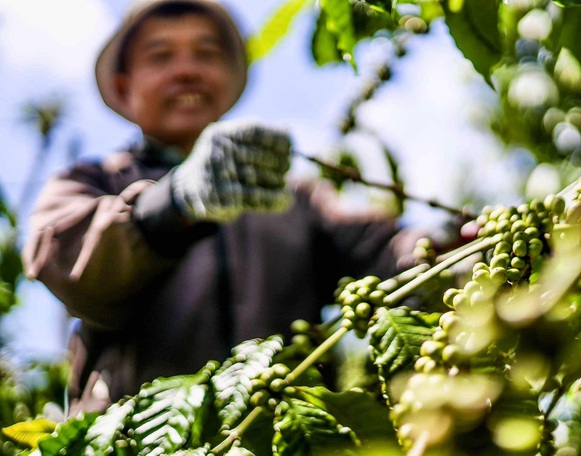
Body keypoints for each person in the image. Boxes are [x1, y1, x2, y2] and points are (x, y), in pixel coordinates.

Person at [22, 0, 413, 413]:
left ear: (228, 81)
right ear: (124, 87)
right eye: (161, 56)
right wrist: (171, 205)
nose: (187, 70)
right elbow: (66, 259)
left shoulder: (293, 200)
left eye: (207, 54)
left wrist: (445, 250)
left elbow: (383, 251)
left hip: (279, 433)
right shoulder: (92, 183)